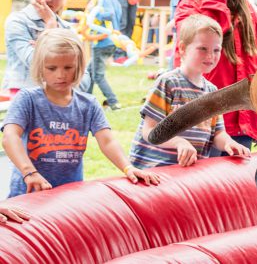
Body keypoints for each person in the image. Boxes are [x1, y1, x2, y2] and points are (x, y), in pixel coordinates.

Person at [1, 29, 160, 197]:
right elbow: (10, 137)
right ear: (40, 67)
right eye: (52, 68)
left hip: (68, 194)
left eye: (68, 67)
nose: (61, 75)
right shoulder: (27, 99)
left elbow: (107, 141)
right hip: (29, 191)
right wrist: (29, 172)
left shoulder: (88, 104)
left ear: (79, 67)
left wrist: (128, 167)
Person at [174, 0, 257, 149]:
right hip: (203, 119)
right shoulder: (190, 4)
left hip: (242, 119)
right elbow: (199, 40)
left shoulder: (248, 10)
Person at [129, 14, 251, 169]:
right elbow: (149, 130)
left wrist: (229, 143)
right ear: (182, 48)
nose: (210, 56)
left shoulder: (212, 92)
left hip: (188, 174)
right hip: (155, 170)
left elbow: (217, 134)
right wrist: (179, 142)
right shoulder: (169, 83)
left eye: (216, 50)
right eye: (202, 49)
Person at [3, 0, 89, 96]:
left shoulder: (68, 29)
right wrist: (50, 31)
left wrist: (42, 46)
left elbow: (84, 81)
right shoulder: (18, 22)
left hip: (58, 104)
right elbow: (37, 66)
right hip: (22, 102)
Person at [84, 0, 122, 110]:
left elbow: (109, 14)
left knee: (98, 75)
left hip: (102, 42)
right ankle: (85, 98)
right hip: (110, 41)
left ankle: (113, 102)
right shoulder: (116, 0)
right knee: (89, 71)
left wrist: (92, 12)